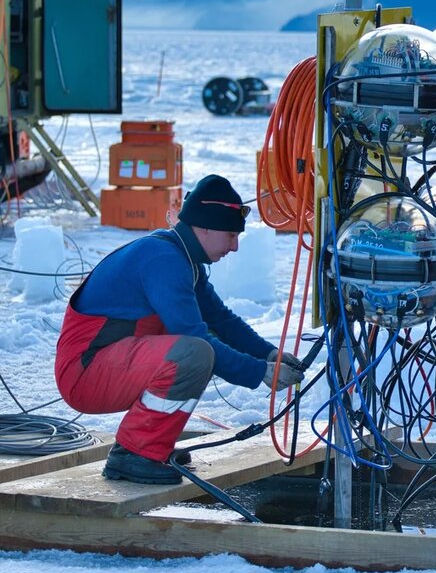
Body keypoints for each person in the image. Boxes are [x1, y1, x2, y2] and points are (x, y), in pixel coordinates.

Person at [55, 174, 303, 485]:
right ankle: (135, 452)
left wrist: (270, 354)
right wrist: (258, 372)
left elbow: (222, 320)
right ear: (205, 227)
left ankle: (151, 442)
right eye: (231, 235)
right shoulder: (164, 260)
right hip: (84, 372)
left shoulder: (183, 258)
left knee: (196, 349)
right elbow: (197, 338)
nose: (236, 246)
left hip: (109, 361)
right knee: (194, 352)